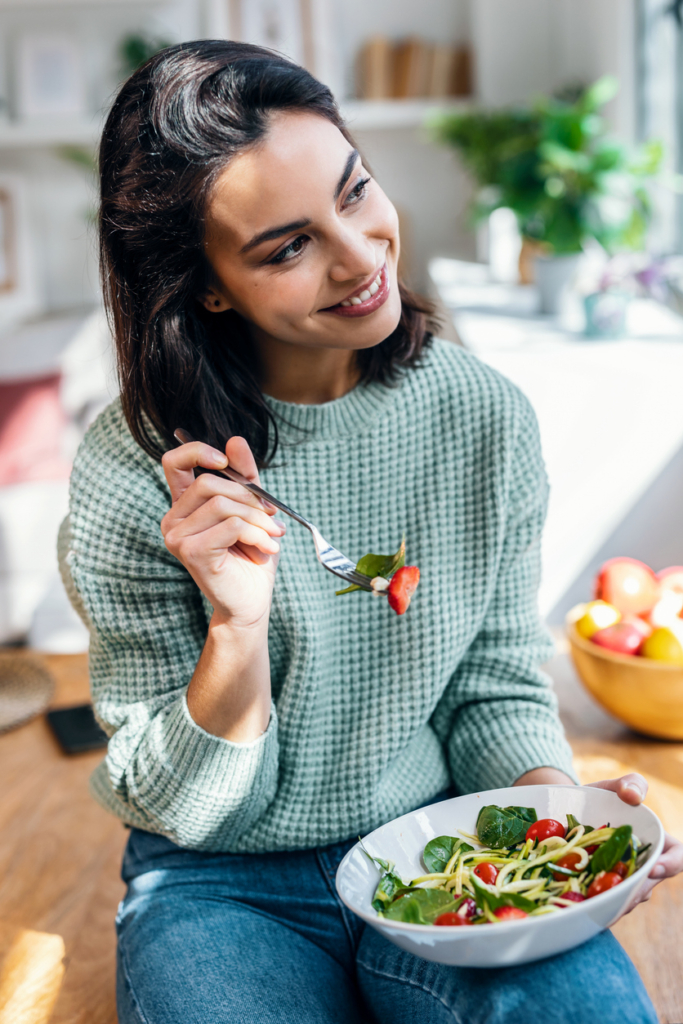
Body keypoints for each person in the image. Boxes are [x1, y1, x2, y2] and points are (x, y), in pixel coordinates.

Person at [59, 41, 681, 1024]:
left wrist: (554, 820)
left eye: (354, 191)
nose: (359, 256)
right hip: (222, 883)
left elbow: (492, 677)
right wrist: (236, 627)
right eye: (287, 247)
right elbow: (181, 806)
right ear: (207, 284)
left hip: (435, 840)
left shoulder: (481, 416)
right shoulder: (134, 473)